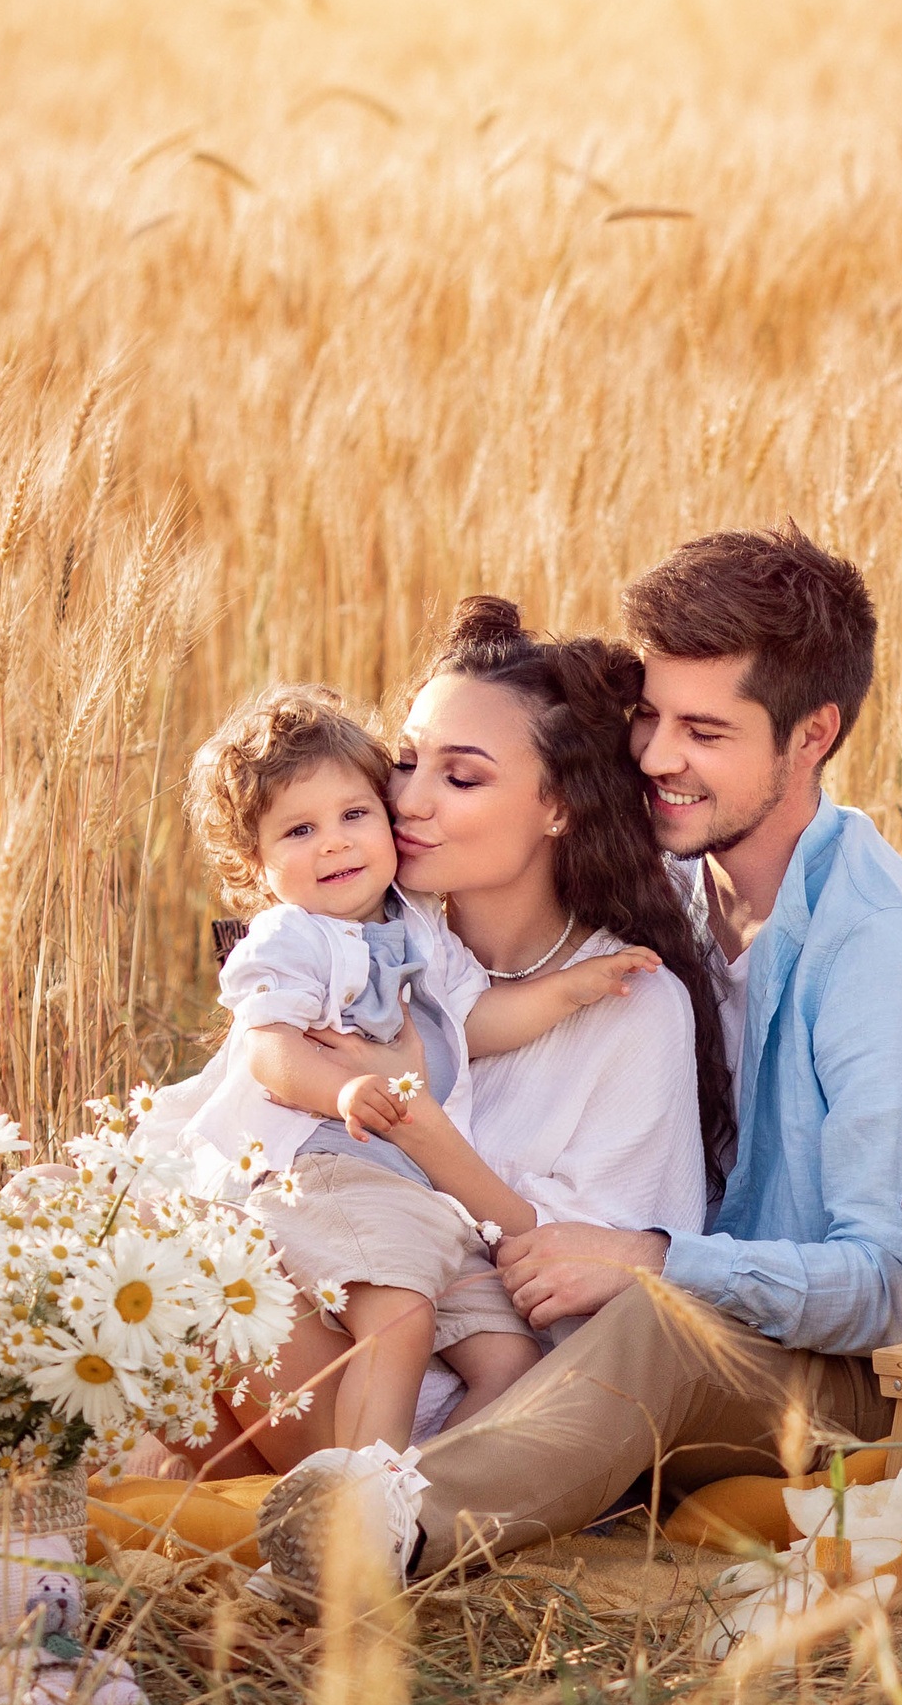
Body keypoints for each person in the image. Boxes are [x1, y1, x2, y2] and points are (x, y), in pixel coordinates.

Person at [256, 523, 902, 1596]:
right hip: (731, 1349)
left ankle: (390, 1523)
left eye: (704, 730)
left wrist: (653, 1258)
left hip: (884, 1388)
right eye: (652, 715)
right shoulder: (692, 911)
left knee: (654, 1329)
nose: (656, 755)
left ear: (812, 736)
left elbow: (901, 1291)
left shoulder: (885, 953)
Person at [200, 603, 734, 1481]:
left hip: (459, 1416)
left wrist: (421, 1130)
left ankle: (371, 1514)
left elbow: (595, 1320)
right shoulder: (371, 939)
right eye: (406, 762)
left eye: (463, 777)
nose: (405, 801)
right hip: (314, 1315)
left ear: (558, 806)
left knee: (169, 1255)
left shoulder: (634, 1007)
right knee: (87, 1211)